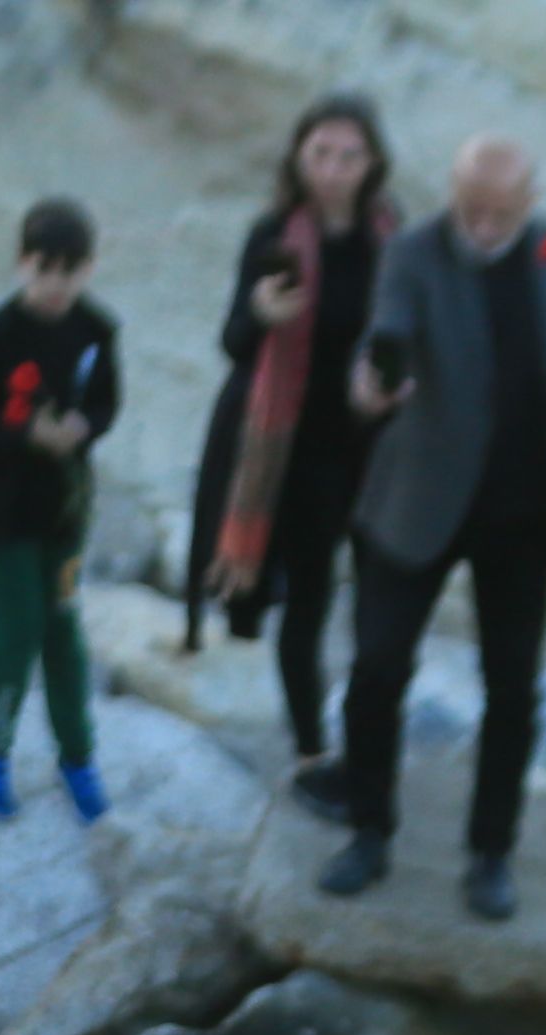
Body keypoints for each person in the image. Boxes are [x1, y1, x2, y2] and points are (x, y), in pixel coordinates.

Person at [315, 134, 546, 919]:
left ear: (530, 203)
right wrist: (372, 381)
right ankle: (368, 831)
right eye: (470, 209)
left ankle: (491, 854)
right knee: (377, 668)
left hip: (521, 507)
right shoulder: (415, 251)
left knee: (513, 690)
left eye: (499, 214)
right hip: (418, 497)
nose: (481, 227)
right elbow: (385, 332)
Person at [186, 97, 395, 774]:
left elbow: (410, 337)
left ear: (373, 164)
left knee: (360, 603)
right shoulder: (274, 233)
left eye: (349, 156)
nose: (333, 170)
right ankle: (311, 749)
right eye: (320, 154)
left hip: (363, 447)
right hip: (283, 446)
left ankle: (358, 744)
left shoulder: (391, 239)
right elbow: (232, 342)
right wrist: (260, 312)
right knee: (302, 602)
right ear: (299, 157)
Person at [0, 196, 124, 824]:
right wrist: (26, 434)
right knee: (14, 633)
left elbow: (106, 402)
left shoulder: (96, 331)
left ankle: (78, 756)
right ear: (23, 263)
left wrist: (84, 426)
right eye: (44, 268)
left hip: (61, 513)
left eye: (69, 271)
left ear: (89, 269)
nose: (56, 284)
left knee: (63, 635)